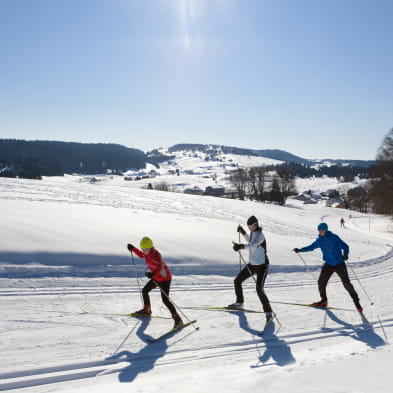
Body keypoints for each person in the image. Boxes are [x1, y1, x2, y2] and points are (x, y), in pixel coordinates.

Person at [293, 223, 362, 311]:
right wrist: (300, 250)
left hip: (339, 263)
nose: (320, 232)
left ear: (325, 230)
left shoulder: (334, 237)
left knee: (346, 283)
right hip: (328, 264)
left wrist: (345, 254)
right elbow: (312, 247)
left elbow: (345, 246)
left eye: (321, 230)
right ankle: (323, 300)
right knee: (321, 282)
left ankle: (357, 302)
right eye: (319, 230)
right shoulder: (319, 240)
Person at [127, 237, 183, 328]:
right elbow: (141, 255)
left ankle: (178, 320)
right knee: (145, 290)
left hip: (165, 279)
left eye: (146, 249)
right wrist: (133, 248)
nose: (144, 251)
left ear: (150, 247)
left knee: (165, 300)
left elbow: (160, 267)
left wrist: (153, 274)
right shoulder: (146, 253)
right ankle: (147, 310)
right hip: (156, 278)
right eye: (143, 249)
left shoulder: (156, 255)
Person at [229, 215, 273, 322]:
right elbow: (250, 241)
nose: (249, 228)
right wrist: (243, 232)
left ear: (255, 225)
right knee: (237, 281)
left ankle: (268, 312)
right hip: (253, 265)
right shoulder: (254, 233)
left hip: (262, 266)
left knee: (259, 289)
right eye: (247, 226)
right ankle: (239, 303)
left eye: (250, 226)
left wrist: (241, 246)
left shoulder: (260, 235)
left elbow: (252, 245)